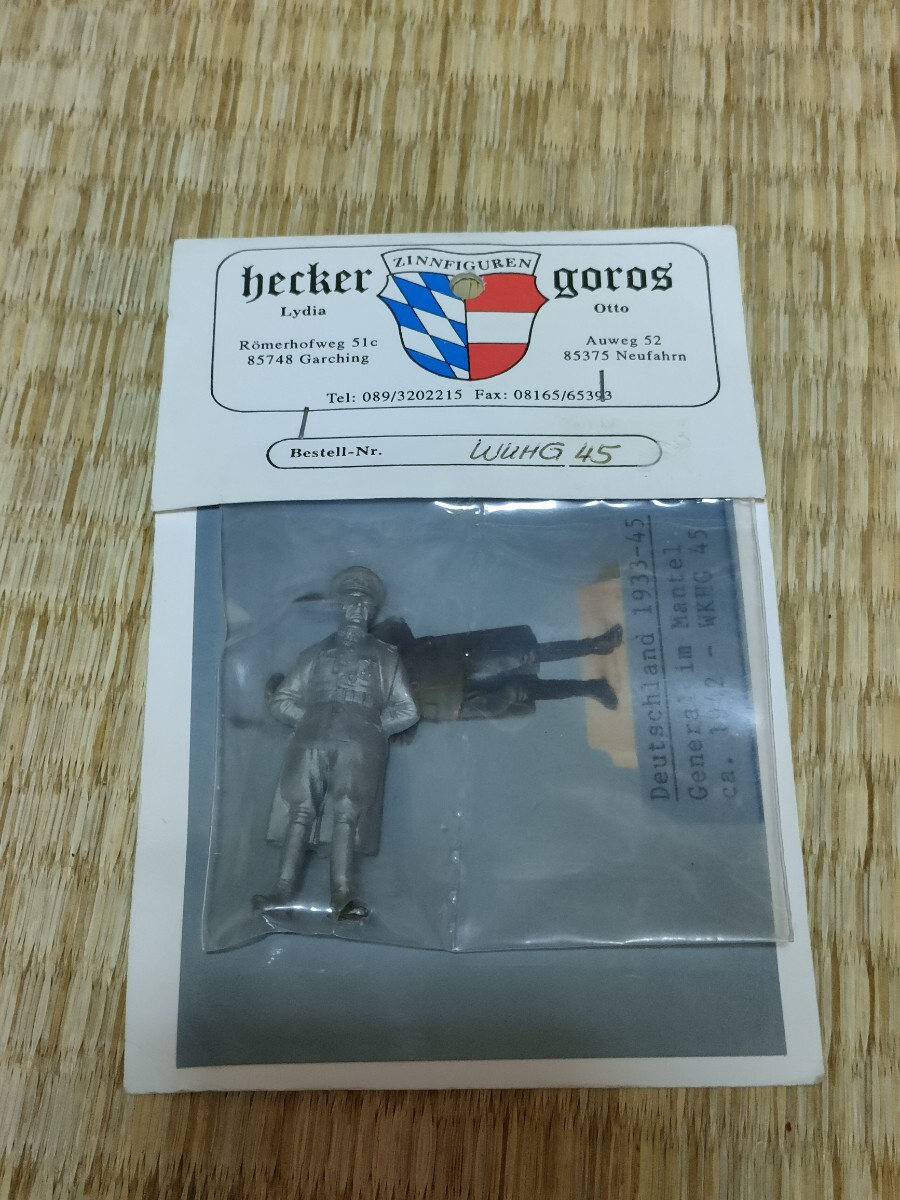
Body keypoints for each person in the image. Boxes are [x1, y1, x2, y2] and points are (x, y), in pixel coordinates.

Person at [259, 567, 418, 920]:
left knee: (347, 812)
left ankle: (342, 895)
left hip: (358, 746)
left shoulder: (386, 657)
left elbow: (408, 710)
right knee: (300, 811)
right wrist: (309, 719)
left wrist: (372, 727)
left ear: (372, 612)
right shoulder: (313, 654)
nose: (358, 610)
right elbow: (282, 700)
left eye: (365, 605)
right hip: (311, 740)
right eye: (351, 602)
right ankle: (283, 891)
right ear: (340, 607)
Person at [373, 618, 622, 724]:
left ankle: (594, 645)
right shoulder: (356, 722)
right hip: (448, 703)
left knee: (522, 654)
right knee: (524, 692)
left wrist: (401, 650)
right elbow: (395, 735)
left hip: (441, 660)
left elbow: (394, 629)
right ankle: (591, 688)